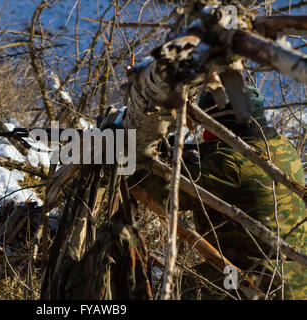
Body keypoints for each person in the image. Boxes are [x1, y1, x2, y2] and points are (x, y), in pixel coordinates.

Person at [131, 86, 306, 299]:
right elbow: (228, 154)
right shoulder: (282, 147)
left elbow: (160, 191)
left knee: (184, 289)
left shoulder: (230, 165)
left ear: (220, 126)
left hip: (260, 283)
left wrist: (129, 155)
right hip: (296, 277)